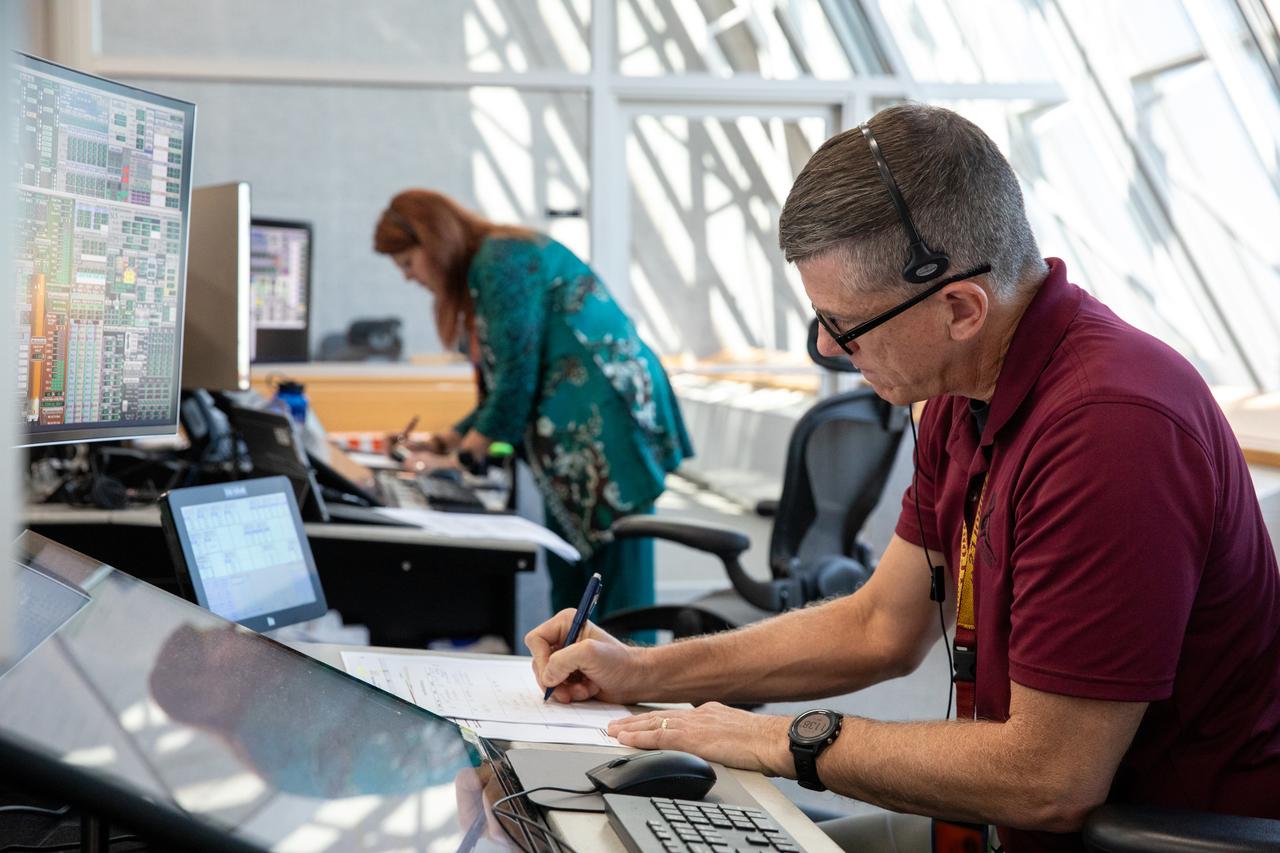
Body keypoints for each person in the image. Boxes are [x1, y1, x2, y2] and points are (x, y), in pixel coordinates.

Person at [526, 104, 1280, 852]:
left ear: (959, 307)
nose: (827, 344)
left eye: (846, 326)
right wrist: (642, 669)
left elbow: (1051, 777)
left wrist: (776, 739)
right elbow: (879, 626)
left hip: (1129, 835)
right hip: (997, 823)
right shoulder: (961, 391)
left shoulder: (1113, 429)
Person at [373, 191, 693, 628]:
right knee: (570, 583)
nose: (410, 277)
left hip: (607, 429)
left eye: (408, 263)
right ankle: (574, 682)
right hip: (573, 434)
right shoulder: (488, 265)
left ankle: (632, 689)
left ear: (433, 241)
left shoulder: (499, 259)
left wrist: (456, 458)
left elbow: (517, 379)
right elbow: (510, 378)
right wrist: (449, 438)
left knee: (620, 596)